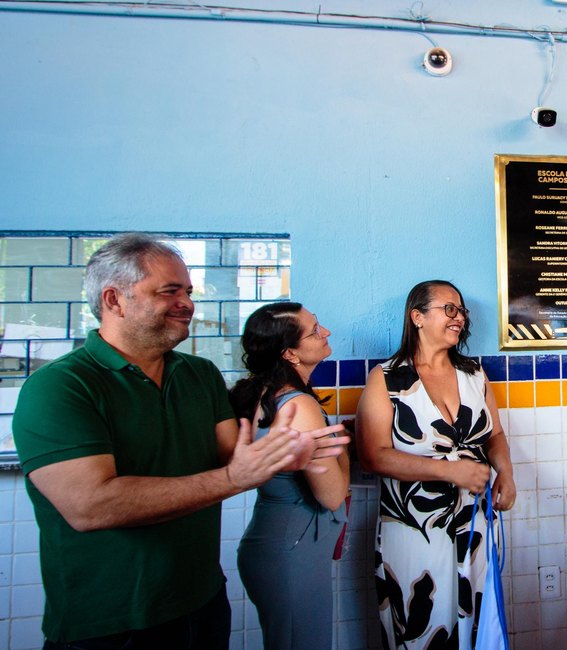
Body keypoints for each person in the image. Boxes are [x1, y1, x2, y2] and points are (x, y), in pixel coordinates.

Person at [11, 233, 348, 650]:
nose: (187, 303)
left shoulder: (199, 375)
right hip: (111, 622)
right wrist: (238, 477)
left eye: (188, 291)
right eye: (169, 291)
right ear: (114, 300)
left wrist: (285, 455)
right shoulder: (62, 386)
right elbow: (91, 506)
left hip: (202, 603)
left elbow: (231, 455)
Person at [357, 280, 516, 649]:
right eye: (449, 309)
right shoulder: (386, 379)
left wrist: (506, 471)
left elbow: (494, 435)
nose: (459, 317)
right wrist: (448, 470)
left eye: (461, 311)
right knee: (423, 627)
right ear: (417, 317)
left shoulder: (474, 374)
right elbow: (373, 454)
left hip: (473, 525)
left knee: (478, 623)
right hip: (413, 530)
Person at [231, 303, 350, 650]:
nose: (325, 332)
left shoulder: (264, 394)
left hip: (274, 544)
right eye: (315, 330)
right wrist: (343, 447)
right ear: (289, 353)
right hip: (292, 553)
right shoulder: (300, 406)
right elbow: (330, 495)